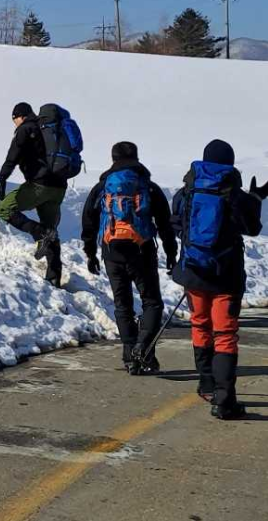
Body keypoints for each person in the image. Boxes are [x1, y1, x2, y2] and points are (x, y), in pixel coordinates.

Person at [171, 139, 266, 420]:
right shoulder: (235, 193)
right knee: (224, 334)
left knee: (200, 325)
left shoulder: (186, 191)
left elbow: (176, 225)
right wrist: (257, 198)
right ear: (230, 164)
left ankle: (207, 384)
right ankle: (224, 401)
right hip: (225, 275)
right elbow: (252, 228)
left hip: (194, 272)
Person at [81, 142, 178, 374]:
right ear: (136, 157)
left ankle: (129, 355)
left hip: (111, 252)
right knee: (151, 302)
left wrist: (90, 253)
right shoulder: (148, 187)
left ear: (112, 158)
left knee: (122, 304)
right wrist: (171, 252)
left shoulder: (103, 187)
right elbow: (165, 223)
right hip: (141, 252)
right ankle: (143, 350)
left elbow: (89, 220)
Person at [0, 102, 68, 287]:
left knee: (4, 209)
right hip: (59, 187)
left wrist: (2, 179)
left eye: (14, 120)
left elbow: (13, 156)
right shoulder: (52, 130)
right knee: (52, 230)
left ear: (19, 116)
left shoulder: (26, 129)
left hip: (39, 185)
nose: (15, 124)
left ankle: (41, 232)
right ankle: (54, 277)